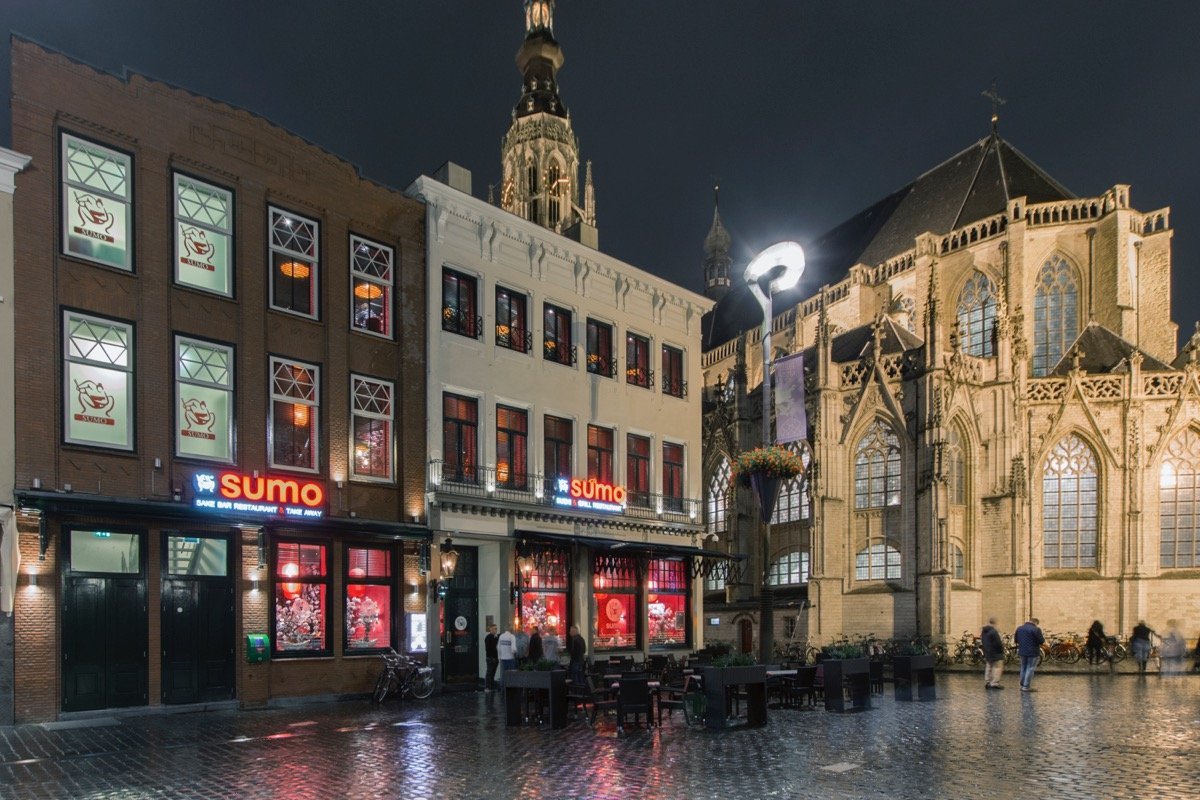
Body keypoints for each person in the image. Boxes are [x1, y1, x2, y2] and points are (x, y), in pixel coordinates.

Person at [1014, 617, 1045, 692]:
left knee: (1023, 667)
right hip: (1032, 651)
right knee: (1030, 668)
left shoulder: (1019, 628)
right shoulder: (1036, 629)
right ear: (1036, 623)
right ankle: (1026, 686)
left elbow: (1016, 640)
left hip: (1022, 651)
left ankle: (1022, 684)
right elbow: (1041, 641)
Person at [980, 617, 1005, 689]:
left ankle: (987, 681)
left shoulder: (984, 631)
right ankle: (994, 683)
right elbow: (998, 643)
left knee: (989, 666)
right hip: (996, 652)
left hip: (987, 651)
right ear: (994, 623)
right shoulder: (993, 631)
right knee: (997, 667)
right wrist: (1001, 650)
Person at [497, 622, 518, 688]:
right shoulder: (512, 636)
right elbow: (513, 649)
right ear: (511, 629)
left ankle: (503, 688)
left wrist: (499, 657)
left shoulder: (501, 636)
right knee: (511, 674)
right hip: (510, 658)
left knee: (503, 674)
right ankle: (510, 688)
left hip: (503, 658)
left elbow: (498, 647)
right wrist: (515, 653)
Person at [484, 623, 500, 691]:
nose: (495, 630)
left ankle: (491, 687)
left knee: (492, 673)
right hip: (490, 658)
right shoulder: (488, 637)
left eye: (496, 629)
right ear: (490, 629)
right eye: (494, 629)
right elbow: (488, 649)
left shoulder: (495, 637)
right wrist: (492, 657)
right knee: (489, 673)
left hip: (495, 657)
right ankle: (487, 687)